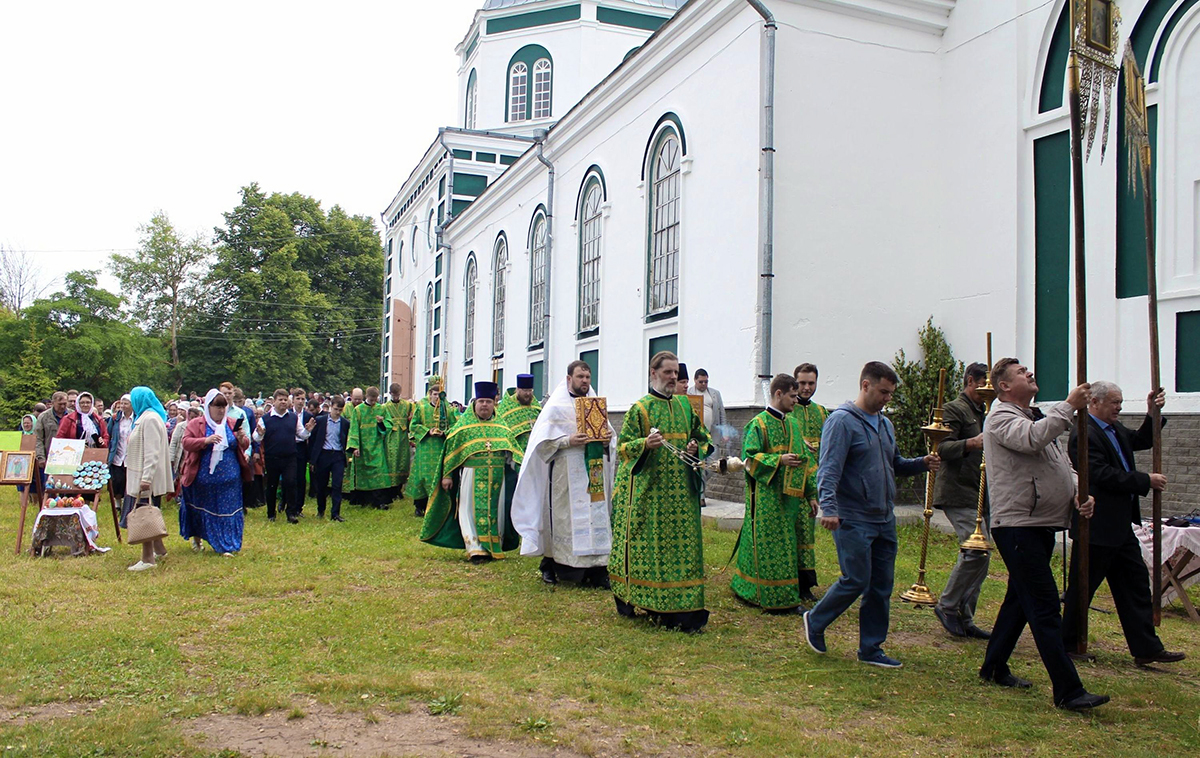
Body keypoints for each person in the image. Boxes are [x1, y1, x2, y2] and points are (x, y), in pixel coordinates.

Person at [976, 358, 1108, 711]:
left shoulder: (1035, 415)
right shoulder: (1001, 418)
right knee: (1045, 605)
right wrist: (1068, 406)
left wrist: (1081, 492)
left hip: (1038, 524)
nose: (1030, 373)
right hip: (1018, 525)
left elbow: (1060, 466)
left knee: (1020, 601)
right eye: (1021, 373)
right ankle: (1069, 691)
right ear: (1004, 386)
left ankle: (993, 667)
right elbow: (1032, 442)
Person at [803, 361, 938, 668]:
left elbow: (895, 464)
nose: (887, 399)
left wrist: (922, 463)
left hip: (883, 517)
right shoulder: (841, 422)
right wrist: (830, 508)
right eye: (883, 392)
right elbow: (829, 468)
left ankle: (871, 648)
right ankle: (817, 620)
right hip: (852, 516)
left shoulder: (884, 424)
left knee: (881, 585)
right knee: (856, 579)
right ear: (865, 385)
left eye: (891, 394)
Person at [1063, 382, 1184, 666]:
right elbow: (1100, 474)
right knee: (1083, 588)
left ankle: (1146, 647)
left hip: (1119, 527)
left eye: (1120, 402)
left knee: (1135, 584)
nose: (1119, 407)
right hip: (1095, 525)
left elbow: (1142, 440)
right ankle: (1068, 642)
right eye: (1114, 402)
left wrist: (1153, 413)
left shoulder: (1114, 430)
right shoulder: (1084, 433)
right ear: (1094, 402)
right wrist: (1145, 480)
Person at [610, 351, 713, 632]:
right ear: (653, 373)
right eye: (667, 372)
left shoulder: (685, 406)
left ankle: (686, 608)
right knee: (654, 548)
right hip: (652, 493)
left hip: (682, 495)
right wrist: (645, 444)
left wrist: (695, 446)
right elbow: (623, 448)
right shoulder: (640, 409)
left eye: (675, 373)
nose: (672, 378)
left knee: (684, 551)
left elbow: (702, 437)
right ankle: (650, 600)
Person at [512, 360, 614, 587]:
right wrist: (568, 440)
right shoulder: (556, 406)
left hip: (594, 469)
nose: (585, 381)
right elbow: (542, 445)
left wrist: (607, 439)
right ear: (569, 379)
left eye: (588, 377)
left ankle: (597, 570)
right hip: (565, 473)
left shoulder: (595, 405)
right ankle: (554, 566)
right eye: (580, 377)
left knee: (596, 515)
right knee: (562, 519)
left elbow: (610, 438)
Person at [732, 374, 819, 613]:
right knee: (769, 546)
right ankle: (770, 596)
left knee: (787, 545)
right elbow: (749, 459)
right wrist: (778, 460)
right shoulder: (757, 425)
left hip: (790, 499)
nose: (796, 400)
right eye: (792, 396)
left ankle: (786, 593)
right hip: (766, 499)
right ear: (778, 394)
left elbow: (805, 460)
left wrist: (811, 493)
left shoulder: (793, 424)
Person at [420, 381, 523, 562]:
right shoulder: (463, 428)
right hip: (471, 475)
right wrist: (446, 476)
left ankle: (493, 545)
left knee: (496, 510)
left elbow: (514, 455)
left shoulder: (503, 428)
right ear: (475, 403)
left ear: (494, 404)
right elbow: (450, 453)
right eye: (481, 401)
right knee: (469, 510)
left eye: (488, 402)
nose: (485, 405)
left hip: (498, 478)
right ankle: (475, 547)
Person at [931, 362, 993, 640]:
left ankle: (965, 617)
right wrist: (971, 443)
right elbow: (940, 447)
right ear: (971, 381)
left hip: (982, 493)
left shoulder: (987, 410)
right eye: (984, 385)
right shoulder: (954, 409)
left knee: (981, 555)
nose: (987, 391)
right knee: (976, 552)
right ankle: (947, 606)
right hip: (959, 490)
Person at [179, 390, 252, 555]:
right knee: (201, 508)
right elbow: (186, 442)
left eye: (223, 407)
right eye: (217, 406)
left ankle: (227, 545)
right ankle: (197, 539)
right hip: (203, 478)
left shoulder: (233, 423)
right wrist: (205, 441)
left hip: (230, 478)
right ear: (208, 407)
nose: (220, 410)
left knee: (228, 510)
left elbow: (244, 444)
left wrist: (242, 438)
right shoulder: (196, 424)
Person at [791, 362, 829, 601]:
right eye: (802, 383)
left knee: (807, 532)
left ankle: (805, 583)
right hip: (792, 478)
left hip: (814, 478)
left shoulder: (822, 412)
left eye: (810, 383)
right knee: (793, 531)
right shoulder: (788, 408)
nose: (806, 388)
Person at [124, 387, 173, 571]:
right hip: (144, 474)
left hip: (146, 476)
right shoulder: (147, 417)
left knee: (145, 513)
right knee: (150, 510)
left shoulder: (150, 419)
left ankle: (147, 558)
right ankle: (159, 549)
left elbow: (152, 451)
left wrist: (146, 478)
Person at [253, 389, 313, 523]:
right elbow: (256, 437)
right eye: (280, 399)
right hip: (272, 457)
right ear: (274, 402)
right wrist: (261, 433)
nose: (283, 402)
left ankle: (291, 513)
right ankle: (271, 513)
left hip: (290, 457)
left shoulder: (293, 418)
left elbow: (301, 435)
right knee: (272, 485)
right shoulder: (266, 419)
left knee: (291, 483)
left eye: (285, 400)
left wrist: (307, 431)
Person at [406, 378, 460, 518]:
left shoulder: (448, 410)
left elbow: (455, 427)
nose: (436, 397)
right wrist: (427, 431)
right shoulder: (422, 409)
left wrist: (444, 432)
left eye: (439, 394)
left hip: (441, 448)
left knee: (440, 476)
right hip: (425, 448)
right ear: (430, 394)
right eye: (434, 394)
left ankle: (438, 506)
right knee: (422, 477)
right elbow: (413, 426)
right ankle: (420, 506)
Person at [346, 386, 392, 508]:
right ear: (366, 397)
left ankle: (379, 501)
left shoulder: (381, 409)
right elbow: (354, 429)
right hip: (362, 446)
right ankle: (363, 500)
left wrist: (381, 422)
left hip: (377, 447)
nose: (373, 402)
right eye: (371, 400)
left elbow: (389, 425)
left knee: (378, 472)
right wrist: (354, 447)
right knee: (364, 473)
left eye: (375, 400)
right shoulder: (359, 410)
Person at [310, 395, 350, 521]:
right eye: (335, 409)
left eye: (340, 410)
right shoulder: (321, 421)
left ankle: (335, 513)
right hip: (324, 454)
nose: (337, 412)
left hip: (337, 455)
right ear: (331, 407)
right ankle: (321, 509)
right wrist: (313, 459)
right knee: (322, 485)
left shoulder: (344, 423)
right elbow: (314, 441)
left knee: (337, 484)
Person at [691, 368, 726, 508]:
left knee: (712, 466)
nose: (704, 384)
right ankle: (701, 496)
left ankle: (700, 490)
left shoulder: (715, 394)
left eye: (706, 381)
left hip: (713, 435)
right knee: (699, 464)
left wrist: (724, 431)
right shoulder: (689, 394)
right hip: (698, 437)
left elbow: (721, 412)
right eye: (701, 382)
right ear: (695, 380)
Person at [382, 383, 414, 500]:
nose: (396, 397)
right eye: (394, 395)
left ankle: (400, 488)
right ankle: (391, 489)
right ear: (390, 394)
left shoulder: (407, 405)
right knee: (392, 462)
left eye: (398, 395)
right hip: (391, 437)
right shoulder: (385, 407)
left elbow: (412, 418)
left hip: (403, 437)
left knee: (403, 461)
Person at [107, 395, 134, 527]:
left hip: (131, 455)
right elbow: (109, 433)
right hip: (117, 454)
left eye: (126, 403)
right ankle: (118, 505)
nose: (123, 406)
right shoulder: (115, 418)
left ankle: (127, 506)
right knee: (117, 480)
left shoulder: (136, 419)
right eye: (121, 403)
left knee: (128, 481)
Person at [497, 373, 541, 454]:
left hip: (535, 450)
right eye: (525, 391)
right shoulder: (507, 405)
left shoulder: (535, 405)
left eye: (530, 390)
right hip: (515, 451)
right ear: (517, 390)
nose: (528, 393)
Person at [34, 392, 69, 480]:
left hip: (69, 457)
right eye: (60, 404)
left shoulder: (72, 415)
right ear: (53, 403)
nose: (62, 406)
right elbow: (38, 438)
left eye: (64, 404)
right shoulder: (43, 417)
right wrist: (41, 457)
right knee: (50, 487)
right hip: (50, 457)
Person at [290, 388, 314, 513]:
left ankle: (298, 507)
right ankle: (286, 502)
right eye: (298, 399)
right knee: (289, 478)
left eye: (302, 399)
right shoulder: (288, 413)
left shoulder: (308, 416)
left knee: (300, 478)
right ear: (293, 400)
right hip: (289, 447)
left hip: (301, 448)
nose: (300, 401)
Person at [343, 388, 364, 505]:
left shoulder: (363, 408)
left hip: (362, 441)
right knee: (348, 466)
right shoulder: (346, 408)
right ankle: (347, 491)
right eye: (355, 399)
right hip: (348, 440)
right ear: (351, 396)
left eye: (360, 399)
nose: (357, 401)